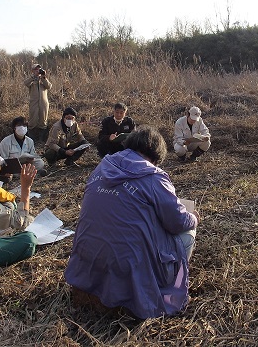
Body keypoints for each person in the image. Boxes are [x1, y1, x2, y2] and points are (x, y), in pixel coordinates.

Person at [65, 127, 199, 319]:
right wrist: (193, 217)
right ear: (156, 156)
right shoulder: (154, 176)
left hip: (86, 261)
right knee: (188, 233)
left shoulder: (102, 166)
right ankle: (161, 286)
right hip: (129, 268)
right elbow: (178, 222)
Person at [24, 63, 52, 143]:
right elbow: (26, 83)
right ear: (32, 71)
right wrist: (33, 77)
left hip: (44, 103)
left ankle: (41, 139)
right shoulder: (32, 80)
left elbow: (49, 86)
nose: (37, 70)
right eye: (35, 69)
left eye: (38, 69)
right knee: (32, 120)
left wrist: (43, 77)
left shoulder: (43, 79)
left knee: (43, 120)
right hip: (34, 102)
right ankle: (32, 139)